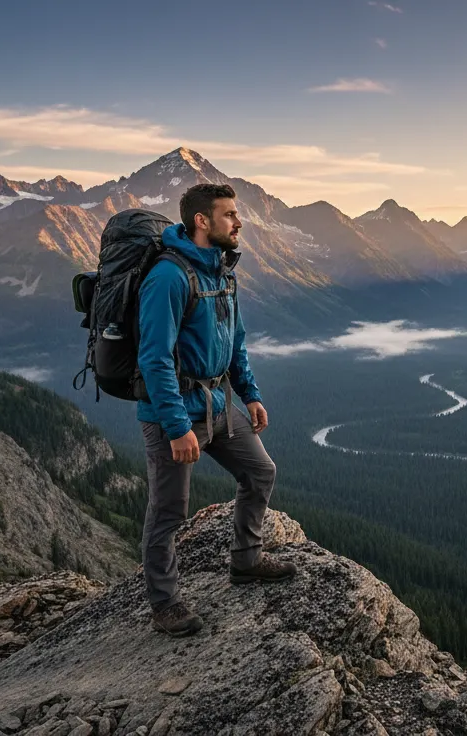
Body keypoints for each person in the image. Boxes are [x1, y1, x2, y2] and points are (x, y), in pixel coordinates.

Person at [137, 182, 296, 637]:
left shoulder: (222, 272)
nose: (239, 222)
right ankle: (164, 604)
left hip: (219, 405)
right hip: (176, 414)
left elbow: (235, 340)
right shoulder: (168, 277)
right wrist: (175, 426)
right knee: (168, 511)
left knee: (260, 471)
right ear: (202, 222)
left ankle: (246, 562)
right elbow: (154, 358)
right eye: (229, 215)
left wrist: (250, 393)